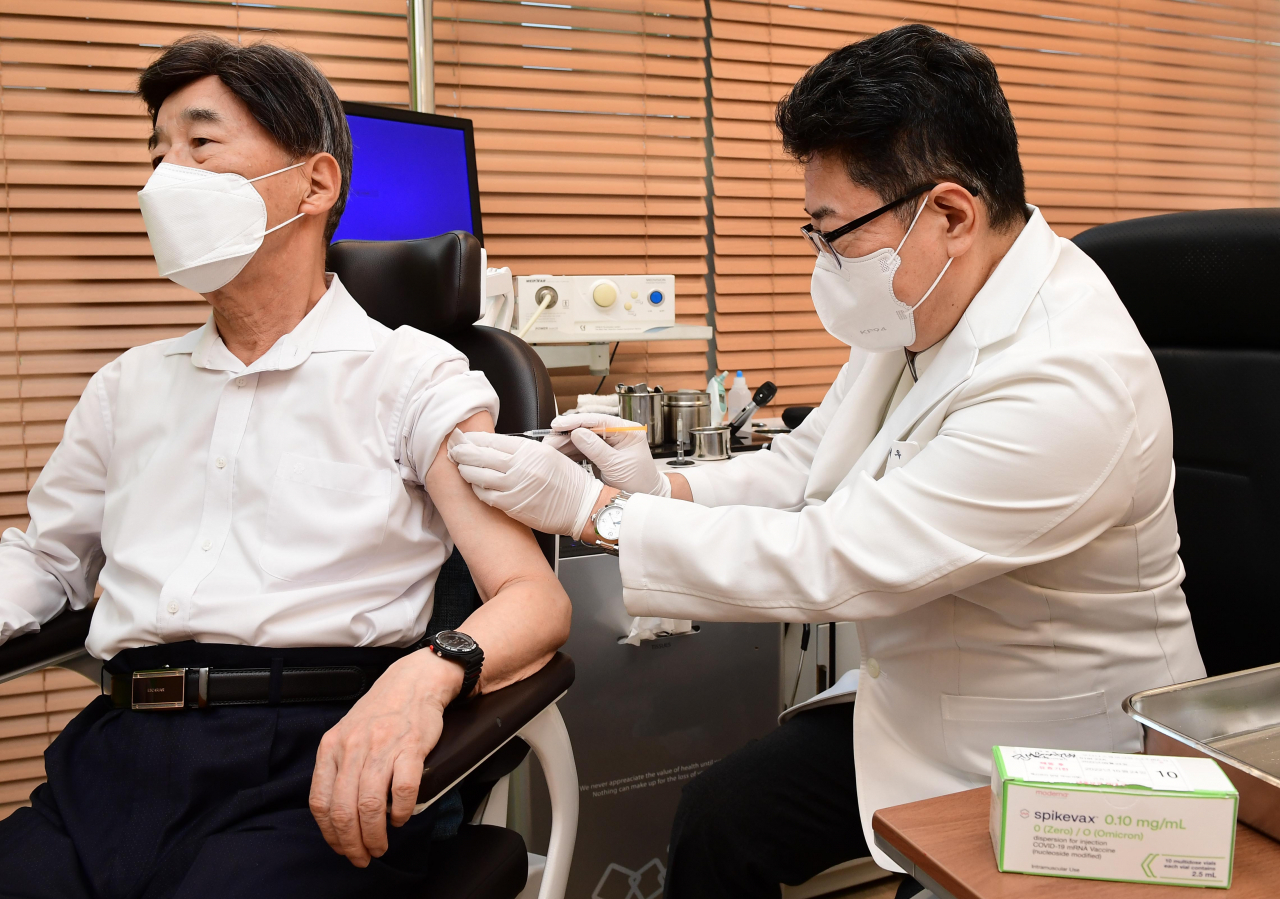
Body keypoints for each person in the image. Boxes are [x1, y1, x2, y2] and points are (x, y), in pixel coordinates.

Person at [449, 24, 1205, 899]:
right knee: (722, 818)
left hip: (1055, 762)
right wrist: (664, 484)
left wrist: (596, 516)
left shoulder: (1068, 381)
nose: (823, 257)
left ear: (950, 212)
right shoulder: (926, 297)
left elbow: (835, 559)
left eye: (831, 228)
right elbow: (812, 463)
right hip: (921, 705)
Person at [0, 34, 571, 899]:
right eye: (157, 153)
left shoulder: (412, 375)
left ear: (314, 182)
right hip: (111, 754)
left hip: (311, 753)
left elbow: (533, 598)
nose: (164, 179)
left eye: (199, 144)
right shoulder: (127, 387)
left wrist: (425, 673)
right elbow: (47, 561)